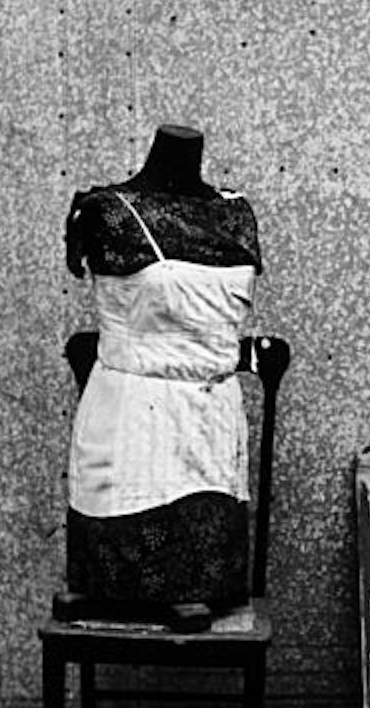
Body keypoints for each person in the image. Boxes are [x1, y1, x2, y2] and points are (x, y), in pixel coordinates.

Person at [59, 125, 263, 631]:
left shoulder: (236, 214)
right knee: (131, 529)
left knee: (204, 548)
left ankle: (196, 589)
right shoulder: (108, 212)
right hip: (133, 419)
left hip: (214, 416)